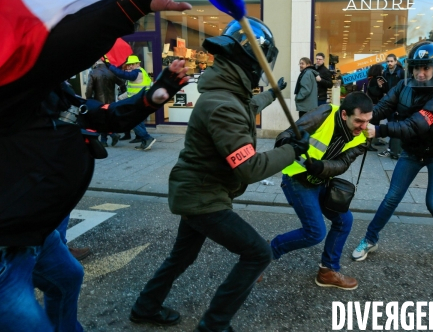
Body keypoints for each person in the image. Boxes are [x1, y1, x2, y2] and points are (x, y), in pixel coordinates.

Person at [0, 0, 193, 332]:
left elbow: (95, 114)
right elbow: (58, 55)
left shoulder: (48, 90)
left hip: (33, 234)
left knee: (67, 279)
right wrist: (128, 4)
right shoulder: (8, 87)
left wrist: (154, 95)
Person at [130, 17, 310, 331]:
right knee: (258, 253)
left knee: (182, 256)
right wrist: (293, 150)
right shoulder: (223, 104)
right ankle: (214, 325)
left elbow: (248, 104)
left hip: (196, 191)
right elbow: (249, 168)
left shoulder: (226, 92)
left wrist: (273, 93)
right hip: (203, 197)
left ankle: (145, 306)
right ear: (251, 63)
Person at [351, 41, 433, 263]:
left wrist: (379, 130)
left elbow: (415, 125)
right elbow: (382, 108)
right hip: (412, 152)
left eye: (426, 68)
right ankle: (370, 239)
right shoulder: (403, 87)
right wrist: (359, 118)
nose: (420, 73)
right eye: (416, 68)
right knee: (392, 197)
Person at [270, 92, 375, 290]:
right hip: (297, 177)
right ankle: (265, 253)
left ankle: (328, 270)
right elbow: (287, 134)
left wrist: (322, 167)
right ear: (344, 115)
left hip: (320, 179)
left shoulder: (363, 136)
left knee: (345, 220)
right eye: (359, 121)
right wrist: (288, 144)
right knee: (315, 232)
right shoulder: (325, 113)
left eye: (368, 121)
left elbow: (343, 162)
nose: (364, 127)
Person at [109, 55, 157, 150]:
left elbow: (123, 75)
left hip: (138, 101)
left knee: (132, 121)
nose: (130, 66)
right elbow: (133, 90)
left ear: (138, 64)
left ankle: (147, 138)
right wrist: (121, 97)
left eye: (132, 64)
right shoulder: (141, 72)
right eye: (129, 65)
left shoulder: (136, 72)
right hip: (139, 100)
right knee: (138, 121)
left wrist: (110, 66)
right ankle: (144, 140)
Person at [85, 59, 126, 147]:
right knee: (106, 119)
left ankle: (110, 136)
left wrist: (88, 98)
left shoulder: (93, 72)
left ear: (96, 63)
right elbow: (122, 83)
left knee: (101, 120)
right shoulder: (111, 71)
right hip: (111, 100)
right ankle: (105, 140)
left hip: (98, 101)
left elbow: (89, 88)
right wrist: (122, 92)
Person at [378, 54, 405, 159]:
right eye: (388, 61)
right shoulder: (385, 73)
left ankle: (393, 149)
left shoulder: (401, 72)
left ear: (395, 61)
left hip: (399, 103)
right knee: (391, 125)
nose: (389, 63)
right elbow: (385, 90)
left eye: (391, 61)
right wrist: (381, 86)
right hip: (389, 103)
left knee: (396, 126)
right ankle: (393, 149)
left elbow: (405, 87)